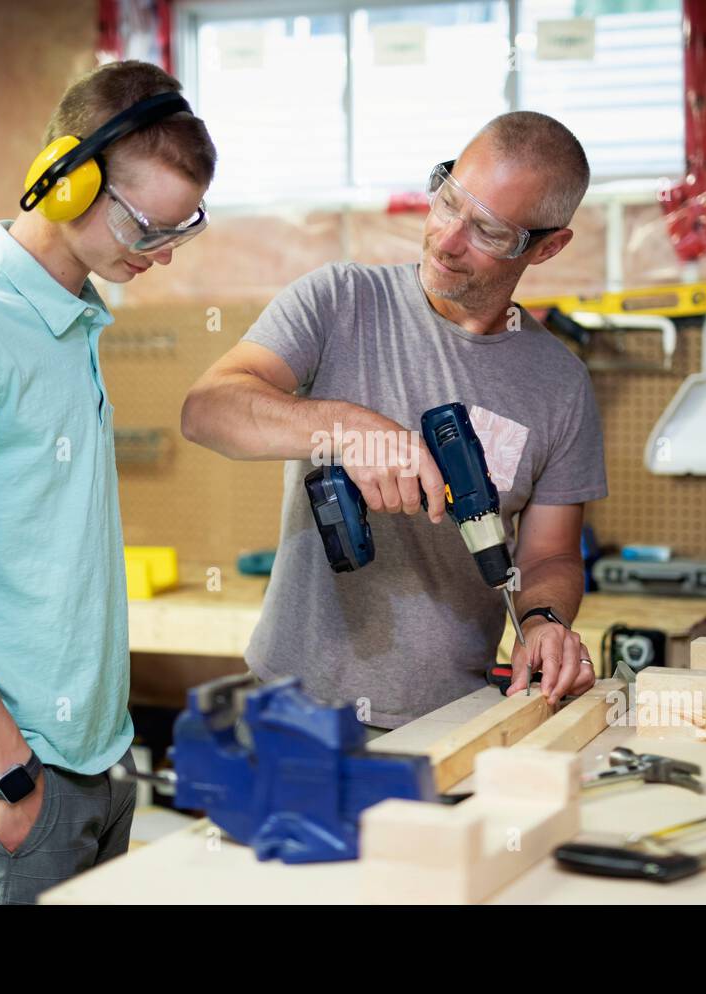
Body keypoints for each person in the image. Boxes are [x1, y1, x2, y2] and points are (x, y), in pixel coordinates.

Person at [0, 60, 215, 904]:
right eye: (145, 227)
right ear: (65, 182)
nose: (162, 256)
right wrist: (13, 775)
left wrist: (105, 760)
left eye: (181, 230)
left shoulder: (70, 322)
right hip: (8, 790)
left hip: (95, 764)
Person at [181, 111, 606, 732]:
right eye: (448, 199)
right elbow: (207, 410)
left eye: (486, 230)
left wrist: (544, 621)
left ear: (545, 246)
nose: (445, 238)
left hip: (457, 720)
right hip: (294, 710)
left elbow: (549, 557)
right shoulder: (338, 301)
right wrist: (347, 427)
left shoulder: (561, 384)